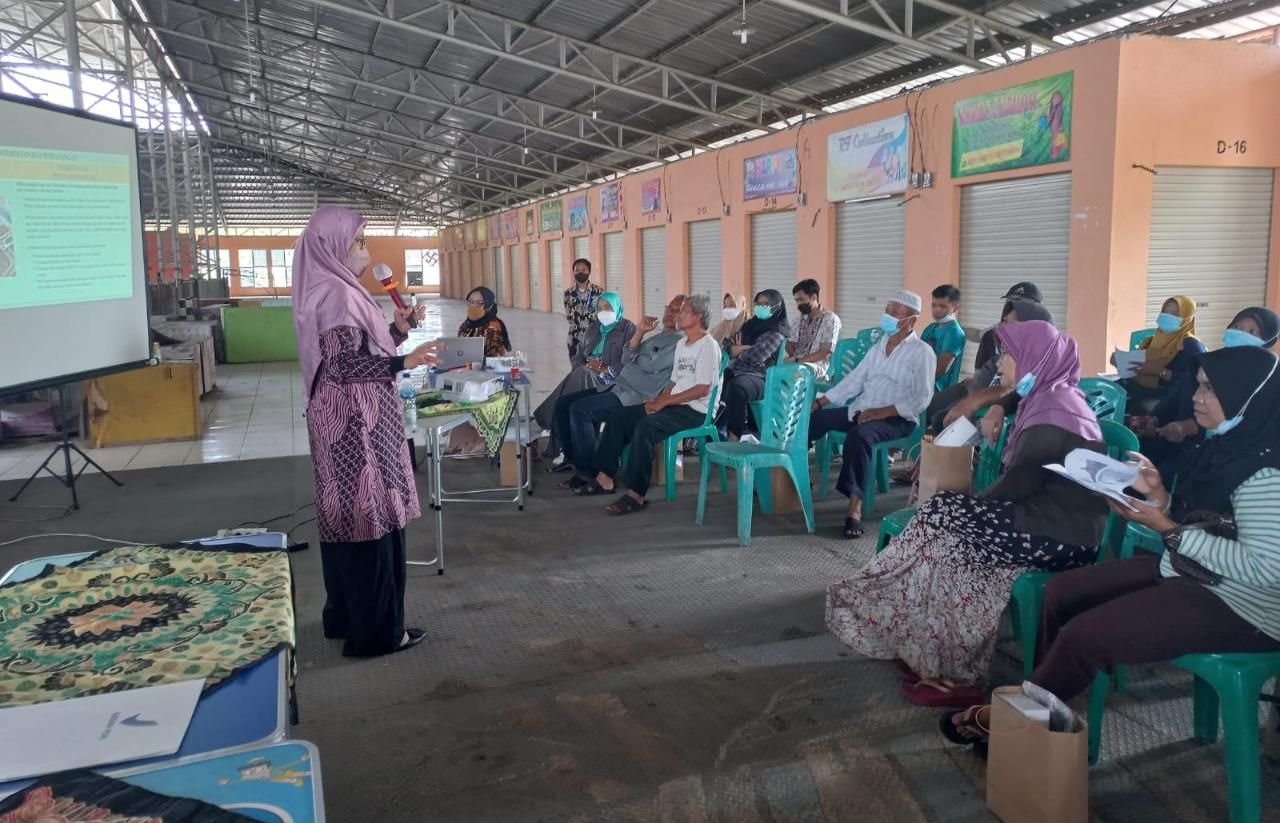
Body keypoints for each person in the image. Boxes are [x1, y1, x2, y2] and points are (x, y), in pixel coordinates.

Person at [944, 345, 1280, 747]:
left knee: (1084, 636)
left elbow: (1267, 568)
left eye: (1211, 388)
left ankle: (1018, 723)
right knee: (1060, 592)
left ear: (1248, 396)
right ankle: (1046, 710)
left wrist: (1167, 528)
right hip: (1193, 571)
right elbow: (1206, 522)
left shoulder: (1266, 473)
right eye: (1199, 385)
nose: (1196, 396)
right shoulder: (1226, 447)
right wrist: (1158, 498)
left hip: (1246, 606)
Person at [827, 320, 1107, 708]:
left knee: (943, 517)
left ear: (1033, 359)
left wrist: (966, 509)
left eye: (1008, 354)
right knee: (946, 541)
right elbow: (1010, 400)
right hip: (1037, 522)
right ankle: (931, 653)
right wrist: (996, 405)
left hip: (1059, 535)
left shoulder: (1052, 416)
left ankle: (896, 616)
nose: (1000, 361)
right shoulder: (1049, 396)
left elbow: (1015, 487)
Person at [293, 206, 439, 658]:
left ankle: (344, 617)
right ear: (332, 246)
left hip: (339, 419)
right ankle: (377, 634)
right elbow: (343, 365)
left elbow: (352, 353)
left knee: (345, 520)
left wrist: (397, 332)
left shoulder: (324, 287)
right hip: (357, 426)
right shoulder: (339, 293)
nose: (366, 251)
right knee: (371, 519)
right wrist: (403, 361)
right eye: (359, 242)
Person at [574, 295, 721, 515]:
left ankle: (636, 494)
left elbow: (702, 389)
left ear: (698, 317)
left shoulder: (708, 346)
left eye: (684, 311)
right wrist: (659, 401)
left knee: (646, 427)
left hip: (696, 410)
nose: (678, 315)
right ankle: (604, 477)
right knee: (620, 417)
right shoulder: (683, 344)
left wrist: (665, 402)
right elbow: (674, 381)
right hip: (675, 403)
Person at [808, 291, 935, 539]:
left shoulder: (922, 352)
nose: (888, 316)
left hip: (897, 419)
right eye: (887, 310)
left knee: (860, 436)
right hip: (863, 409)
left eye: (895, 312)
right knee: (814, 421)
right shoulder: (879, 347)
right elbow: (855, 380)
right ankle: (790, 482)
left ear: (911, 319)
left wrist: (883, 411)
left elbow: (922, 398)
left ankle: (854, 508)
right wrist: (822, 402)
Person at [554, 296, 685, 484]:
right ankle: (574, 460)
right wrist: (640, 332)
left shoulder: (679, 343)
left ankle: (587, 473)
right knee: (563, 404)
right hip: (618, 386)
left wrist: (635, 357)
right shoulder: (657, 337)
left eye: (676, 310)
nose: (669, 313)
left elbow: (649, 365)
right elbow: (625, 358)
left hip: (635, 395)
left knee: (580, 410)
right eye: (668, 308)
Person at [1142, 306, 1280, 473]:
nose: (1240, 334)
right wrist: (1155, 418)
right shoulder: (1210, 365)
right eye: (1237, 327)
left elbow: (1242, 426)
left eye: (1252, 332)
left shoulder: (1267, 385)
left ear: (1269, 341)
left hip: (1213, 452)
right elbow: (1178, 393)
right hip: (1181, 442)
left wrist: (1189, 427)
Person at [930, 300, 1056, 439]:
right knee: (939, 417)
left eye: (1010, 323)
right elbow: (975, 393)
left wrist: (983, 400)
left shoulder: (1049, 387)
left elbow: (1017, 390)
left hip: (998, 441)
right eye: (1003, 321)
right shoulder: (997, 361)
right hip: (979, 432)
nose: (1001, 327)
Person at [535, 291, 637, 461]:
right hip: (587, 374)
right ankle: (566, 448)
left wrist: (605, 368)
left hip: (612, 380)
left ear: (617, 307)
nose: (603, 312)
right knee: (579, 379)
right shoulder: (593, 328)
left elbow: (631, 360)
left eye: (608, 307)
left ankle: (546, 424)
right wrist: (584, 365)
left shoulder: (628, 329)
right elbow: (578, 355)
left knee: (578, 381)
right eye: (600, 308)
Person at [721, 290, 790, 439]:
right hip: (737, 370)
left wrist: (737, 350)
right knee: (716, 380)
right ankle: (711, 432)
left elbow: (755, 357)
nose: (760, 307)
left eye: (765, 304)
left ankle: (734, 437)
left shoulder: (777, 331)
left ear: (777, 306)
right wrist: (743, 348)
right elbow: (725, 348)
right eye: (758, 303)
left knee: (736, 387)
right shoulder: (749, 325)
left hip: (762, 378)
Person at [1115, 295, 1203, 409]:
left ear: (1187, 319)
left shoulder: (1190, 345)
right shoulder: (1153, 340)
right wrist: (1122, 363)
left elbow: (1194, 381)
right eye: (1165, 312)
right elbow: (1139, 366)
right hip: (1140, 387)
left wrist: (1161, 372)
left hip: (1166, 398)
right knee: (1103, 393)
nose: (1167, 317)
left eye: (1174, 314)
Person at [787, 279, 841, 380]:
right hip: (796, 361)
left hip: (817, 365)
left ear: (813, 297)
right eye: (796, 301)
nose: (798, 304)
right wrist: (784, 338)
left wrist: (799, 361)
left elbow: (825, 352)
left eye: (801, 300)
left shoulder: (830, 319)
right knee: (772, 369)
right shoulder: (798, 320)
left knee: (795, 374)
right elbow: (792, 349)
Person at [920, 285, 966, 391]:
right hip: (922, 386)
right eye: (934, 305)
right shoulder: (930, 328)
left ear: (955, 308)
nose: (936, 310)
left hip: (939, 391)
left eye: (942, 306)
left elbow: (940, 369)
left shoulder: (955, 333)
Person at [563, 258, 603, 364]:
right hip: (574, 339)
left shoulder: (598, 292)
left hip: (594, 339)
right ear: (573, 272)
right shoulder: (568, 293)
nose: (580, 273)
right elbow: (569, 317)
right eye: (577, 270)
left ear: (589, 271)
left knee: (592, 369)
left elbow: (602, 314)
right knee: (577, 370)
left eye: (584, 270)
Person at [458, 286, 512, 358]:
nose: (473, 306)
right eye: (470, 302)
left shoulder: (493, 326)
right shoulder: (465, 325)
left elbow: (493, 357)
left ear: (488, 305)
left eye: (479, 303)